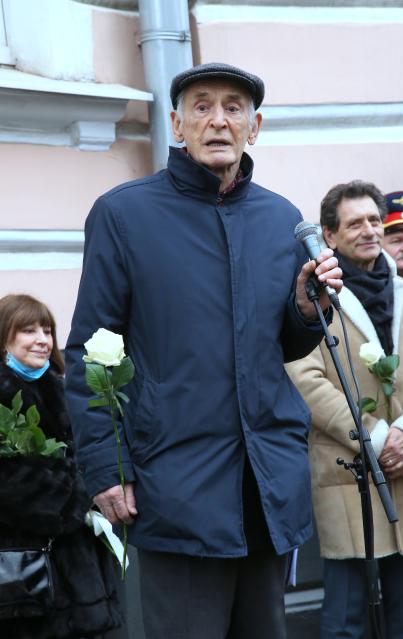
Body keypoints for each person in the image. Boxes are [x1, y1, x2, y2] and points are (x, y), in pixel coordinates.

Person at [65, 62, 342, 639]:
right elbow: (92, 353)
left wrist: (306, 310)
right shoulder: (124, 214)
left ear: (254, 126)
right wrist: (104, 468)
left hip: (265, 486)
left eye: (234, 108)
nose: (218, 120)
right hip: (175, 486)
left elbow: (286, 345)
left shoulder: (280, 219)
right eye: (202, 106)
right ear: (176, 124)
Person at [286, 180, 403, 639]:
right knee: (345, 620)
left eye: (373, 220)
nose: (369, 231)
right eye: (354, 223)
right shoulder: (314, 293)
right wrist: (379, 437)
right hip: (351, 477)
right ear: (329, 234)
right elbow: (306, 380)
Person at [0, 294, 122, 639]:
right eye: (28, 330)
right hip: (24, 581)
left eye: (47, 330)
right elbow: (13, 484)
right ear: (3, 336)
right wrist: (84, 491)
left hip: (80, 578)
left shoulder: (68, 390)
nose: (42, 339)